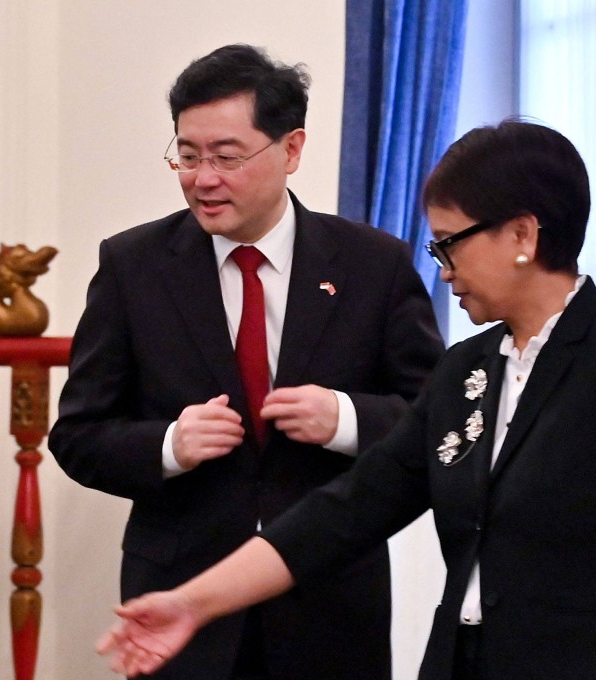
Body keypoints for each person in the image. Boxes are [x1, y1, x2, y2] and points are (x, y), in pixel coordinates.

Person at [95, 120, 596, 680]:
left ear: (522, 234)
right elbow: (345, 513)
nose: (442, 267)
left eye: (450, 243)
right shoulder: (466, 371)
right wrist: (193, 603)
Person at [48, 43, 444, 680]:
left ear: (291, 149)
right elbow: (77, 435)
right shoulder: (133, 267)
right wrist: (169, 446)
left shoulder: (375, 266)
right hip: (180, 607)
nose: (203, 178)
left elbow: (437, 423)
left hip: (330, 606)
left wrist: (345, 420)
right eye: (188, 155)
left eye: (227, 157)